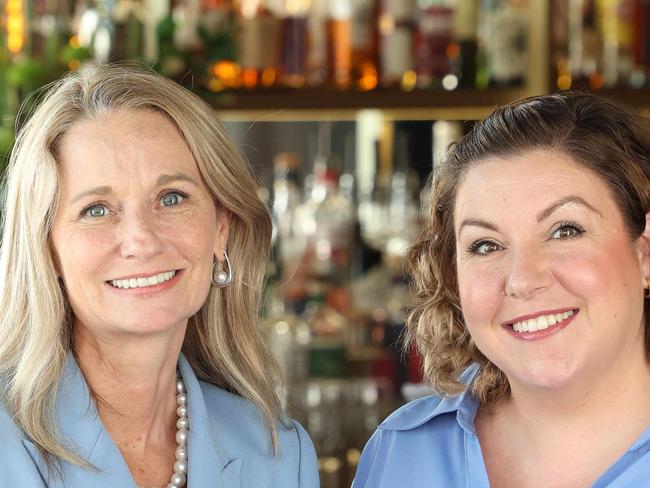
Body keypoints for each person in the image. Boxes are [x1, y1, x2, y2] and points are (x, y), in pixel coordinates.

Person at [0, 64, 319, 488]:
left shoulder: (278, 453)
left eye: (172, 198)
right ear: (47, 251)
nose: (141, 240)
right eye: (96, 209)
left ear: (220, 229)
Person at [353, 92, 650, 487]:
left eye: (565, 230)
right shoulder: (402, 452)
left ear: (644, 254)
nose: (523, 280)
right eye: (486, 246)